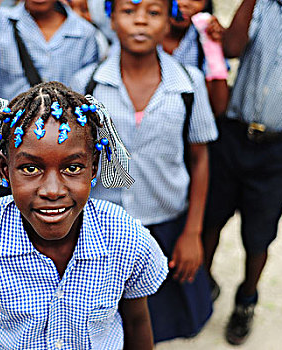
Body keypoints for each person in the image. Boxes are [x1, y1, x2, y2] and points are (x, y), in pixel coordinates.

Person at [0, 81, 169, 349]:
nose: (52, 191)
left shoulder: (126, 239)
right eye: (30, 169)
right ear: (6, 170)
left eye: (73, 168)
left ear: (94, 168)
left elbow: (136, 322)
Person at [72, 0, 218, 343]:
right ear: (110, 18)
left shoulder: (188, 83)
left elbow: (200, 159)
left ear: (169, 21)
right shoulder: (87, 85)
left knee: (159, 319)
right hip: (101, 229)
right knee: (103, 321)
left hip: (167, 223)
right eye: (128, 11)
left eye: (153, 13)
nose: (140, 22)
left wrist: (193, 232)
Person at [202, 0, 282, 345]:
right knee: (211, 219)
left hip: (280, 148)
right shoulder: (262, 5)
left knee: (259, 235)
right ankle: (204, 284)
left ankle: (246, 299)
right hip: (232, 133)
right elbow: (230, 48)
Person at [0, 0, 99, 201]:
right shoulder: (1, 21)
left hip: (60, 153)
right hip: (7, 150)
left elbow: (87, 104)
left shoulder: (84, 34)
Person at [161, 0, 229, 118]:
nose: (185, 3)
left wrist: (212, 46)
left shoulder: (202, 40)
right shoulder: (140, 36)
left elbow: (219, 107)